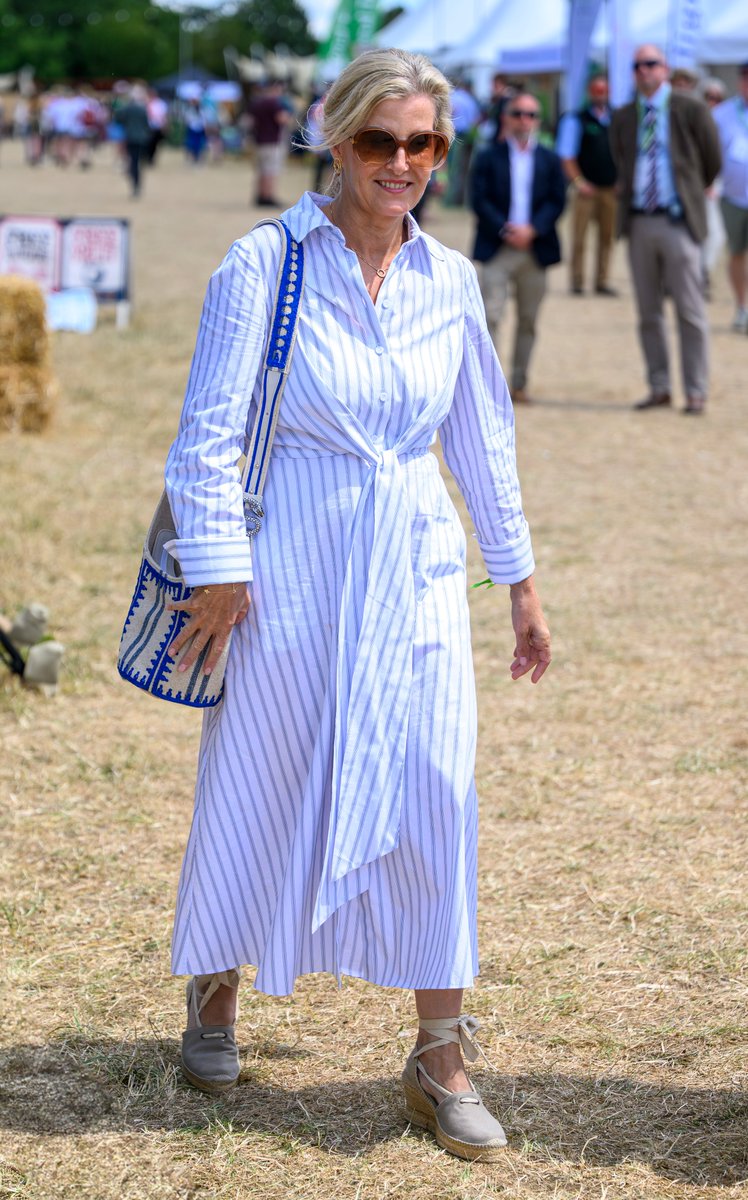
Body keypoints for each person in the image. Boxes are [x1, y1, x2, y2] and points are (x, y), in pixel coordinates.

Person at [161, 47, 551, 1162]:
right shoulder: (263, 265)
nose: (401, 164)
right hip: (289, 565)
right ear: (335, 138)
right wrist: (220, 569)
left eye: (422, 143)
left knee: (438, 789)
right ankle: (216, 989)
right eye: (379, 141)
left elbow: (480, 438)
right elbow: (210, 436)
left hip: (416, 569)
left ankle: (439, 1054)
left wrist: (518, 581)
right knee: (261, 777)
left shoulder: (451, 278)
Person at [610, 45, 721, 415]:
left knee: (690, 311)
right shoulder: (625, 115)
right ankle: (659, 387)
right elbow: (621, 159)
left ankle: (695, 391)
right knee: (648, 312)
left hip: (678, 221)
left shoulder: (691, 108)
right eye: (637, 65)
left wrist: (688, 195)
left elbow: (711, 160)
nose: (644, 71)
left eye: (651, 64)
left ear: (666, 69)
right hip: (640, 220)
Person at [470, 92, 567, 404]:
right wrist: (505, 228)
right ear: (506, 117)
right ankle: (490, 388)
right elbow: (479, 199)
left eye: (531, 115)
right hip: (497, 246)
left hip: (535, 249)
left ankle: (520, 383)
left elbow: (557, 200)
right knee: (491, 317)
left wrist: (534, 229)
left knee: (528, 320)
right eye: (518, 113)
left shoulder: (550, 160)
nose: (525, 120)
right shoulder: (488, 156)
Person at [556, 73, 618, 296]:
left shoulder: (616, 119)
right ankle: (577, 281)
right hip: (586, 189)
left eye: (604, 91)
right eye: (597, 90)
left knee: (607, 237)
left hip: (610, 189)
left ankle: (602, 280)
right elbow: (567, 155)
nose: (601, 95)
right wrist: (579, 182)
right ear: (590, 93)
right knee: (579, 237)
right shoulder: (576, 119)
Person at [711, 63, 748, 333]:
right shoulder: (722, 114)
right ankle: (742, 306)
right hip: (733, 197)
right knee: (736, 253)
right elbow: (710, 151)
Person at [700, 78, 727, 301]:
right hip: (702, 185)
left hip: (723, 186)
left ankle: (702, 272)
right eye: (709, 97)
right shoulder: (698, 119)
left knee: (717, 236)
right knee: (707, 233)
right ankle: (699, 275)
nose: (713, 102)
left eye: (717, 98)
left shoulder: (728, 120)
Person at [247, 79, 293, 207]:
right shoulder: (274, 103)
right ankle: (268, 196)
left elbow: (249, 121)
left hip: (259, 141)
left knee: (261, 170)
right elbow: (282, 119)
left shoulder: (256, 102)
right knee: (271, 170)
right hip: (272, 141)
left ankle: (260, 195)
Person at [117, 84, 152, 197]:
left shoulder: (126, 108)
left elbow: (119, 119)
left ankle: (134, 182)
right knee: (137, 162)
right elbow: (147, 124)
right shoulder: (143, 109)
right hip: (141, 138)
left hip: (131, 137)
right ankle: (136, 182)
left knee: (133, 161)